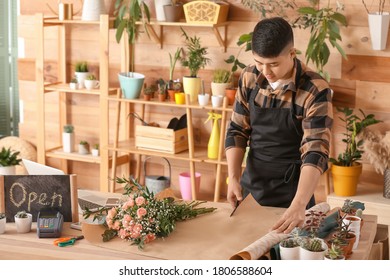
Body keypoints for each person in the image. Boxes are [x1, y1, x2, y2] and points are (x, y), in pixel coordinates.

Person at [225, 17, 333, 234]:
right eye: (259, 62)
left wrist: (299, 204)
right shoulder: (248, 77)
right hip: (252, 188)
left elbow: (316, 149)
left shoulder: (315, 89)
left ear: (292, 53)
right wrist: (233, 178)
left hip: (293, 193)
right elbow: (237, 130)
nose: (266, 71)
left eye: (273, 63)